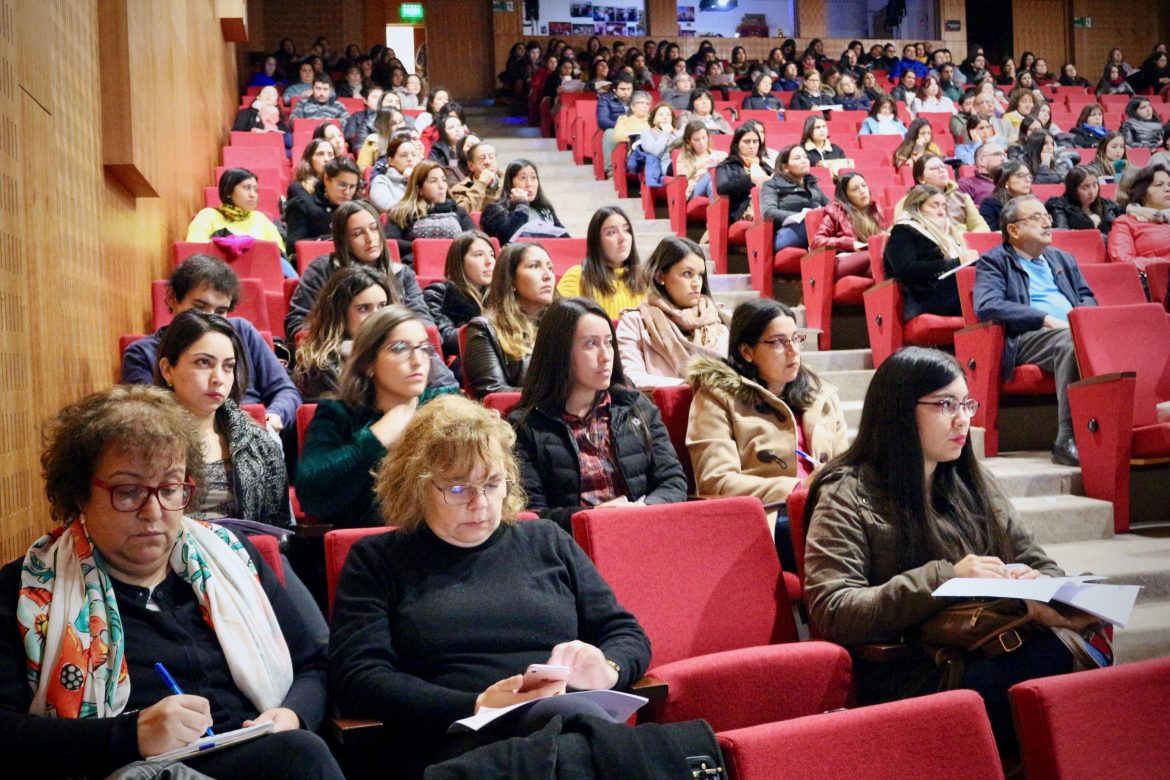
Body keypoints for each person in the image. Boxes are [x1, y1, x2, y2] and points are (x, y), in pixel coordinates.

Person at [0, 385, 341, 778]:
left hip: (257, 755)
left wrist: (293, 713)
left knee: (298, 752)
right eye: (128, 492)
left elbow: (313, 663)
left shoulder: (230, 556)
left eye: (170, 488)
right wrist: (129, 735)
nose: (153, 512)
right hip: (128, 770)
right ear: (79, 492)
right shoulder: (27, 590)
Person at [327, 394, 653, 779]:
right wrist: (477, 704)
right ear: (415, 487)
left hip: (568, 732)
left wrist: (608, 670)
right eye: (459, 490)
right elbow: (359, 678)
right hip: (455, 744)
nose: (481, 504)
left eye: (493, 484)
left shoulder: (547, 540)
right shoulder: (378, 560)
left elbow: (626, 633)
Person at [803, 347, 1076, 748]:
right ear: (898, 411)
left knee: (1073, 658)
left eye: (965, 403)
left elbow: (1040, 563)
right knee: (1056, 668)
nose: (963, 418)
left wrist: (1035, 580)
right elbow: (833, 609)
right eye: (945, 404)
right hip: (912, 666)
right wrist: (947, 578)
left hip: (986, 641)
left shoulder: (971, 480)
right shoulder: (847, 492)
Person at [686, 298, 848, 568]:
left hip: (831, 507)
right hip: (772, 517)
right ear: (747, 351)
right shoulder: (717, 396)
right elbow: (716, 482)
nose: (793, 351)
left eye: (796, 339)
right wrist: (799, 488)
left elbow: (847, 465)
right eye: (778, 342)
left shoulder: (821, 396)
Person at [511, 297, 687, 529]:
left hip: (645, 531)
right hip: (573, 547)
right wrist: (597, 517)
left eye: (609, 343)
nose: (606, 356)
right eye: (591, 344)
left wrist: (640, 510)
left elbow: (673, 481)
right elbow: (532, 512)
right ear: (560, 352)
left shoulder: (636, 407)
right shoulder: (526, 426)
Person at [297, 305, 457, 527]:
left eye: (424, 348)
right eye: (400, 348)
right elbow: (312, 495)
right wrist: (376, 438)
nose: (417, 360)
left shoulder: (446, 405)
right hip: (371, 547)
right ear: (368, 363)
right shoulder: (338, 414)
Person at [974, 195, 1098, 465]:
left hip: (1074, 329)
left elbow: (1087, 295)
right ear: (1013, 229)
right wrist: (1043, 318)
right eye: (1036, 218)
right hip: (1026, 337)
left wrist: (1083, 316)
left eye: (1047, 217)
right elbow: (987, 305)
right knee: (1069, 341)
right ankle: (1067, 438)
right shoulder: (994, 261)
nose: (1046, 223)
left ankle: (1121, 427)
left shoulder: (1062, 258)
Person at [122, 255, 301, 432]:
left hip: (254, 432)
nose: (210, 318)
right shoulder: (142, 353)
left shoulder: (243, 332)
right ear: (173, 300)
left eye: (221, 311)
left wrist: (274, 415)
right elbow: (148, 419)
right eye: (199, 307)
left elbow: (286, 391)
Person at [155, 311, 291, 528]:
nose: (218, 378)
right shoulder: (140, 441)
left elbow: (277, 537)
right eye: (203, 362)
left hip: (242, 557)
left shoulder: (259, 444)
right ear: (167, 370)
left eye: (228, 366)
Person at [285, 200, 433, 340]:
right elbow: (297, 324)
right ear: (344, 241)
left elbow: (424, 321)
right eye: (358, 233)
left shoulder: (402, 273)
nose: (370, 238)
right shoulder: (322, 269)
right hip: (340, 354)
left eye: (374, 229)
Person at [615, 236, 729, 388]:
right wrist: (692, 386)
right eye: (687, 274)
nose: (696, 283)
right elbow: (631, 378)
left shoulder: (720, 318)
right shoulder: (634, 322)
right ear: (660, 276)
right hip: (659, 409)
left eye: (700, 275)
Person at [464, 241, 556, 398]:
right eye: (534, 266)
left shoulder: (565, 324)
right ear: (511, 279)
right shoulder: (484, 329)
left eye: (550, 267)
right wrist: (558, 397)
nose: (547, 276)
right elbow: (493, 393)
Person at [294, 265, 394, 400]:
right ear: (340, 314)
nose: (377, 316)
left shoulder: (407, 349)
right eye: (364, 308)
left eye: (382, 306)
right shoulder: (321, 367)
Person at [886, 184, 979, 320]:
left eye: (944, 207)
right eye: (934, 206)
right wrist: (956, 263)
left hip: (950, 292)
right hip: (924, 299)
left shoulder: (950, 234)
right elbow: (906, 269)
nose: (941, 212)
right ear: (917, 207)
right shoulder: (903, 231)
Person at [186, 167, 291, 276]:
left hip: (259, 275)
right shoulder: (209, 215)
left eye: (256, 190)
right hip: (216, 277)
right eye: (246, 188)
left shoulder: (261, 219)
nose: (253, 195)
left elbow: (278, 255)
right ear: (228, 192)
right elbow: (193, 248)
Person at [557, 206, 648, 320]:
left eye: (626, 230)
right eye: (612, 232)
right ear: (597, 242)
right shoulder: (578, 276)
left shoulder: (645, 279)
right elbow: (557, 323)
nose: (622, 238)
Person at [423, 230, 495, 373]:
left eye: (492, 255)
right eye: (479, 255)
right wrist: (495, 331)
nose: (489, 261)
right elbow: (444, 338)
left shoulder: (500, 295)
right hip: (463, 363)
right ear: (460, 261)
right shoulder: (440, 293)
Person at [383, 161, 476, 258]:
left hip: (456, 263)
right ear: (419, 189)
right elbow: (390, 242)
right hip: (415, 263)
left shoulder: (458, 211)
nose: (441, 186)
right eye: (433, 181)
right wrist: (426, 248)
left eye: (443, 180)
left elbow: (474, 238)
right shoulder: (402, 212)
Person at [812, 172, 889, 279]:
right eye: (855, 189)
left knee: (883, 266)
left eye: (864, 186)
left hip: (871, 259)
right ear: (845, 196)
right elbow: (817, 242)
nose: (862, 191)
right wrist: (849, 243)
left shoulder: (875, 209)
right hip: (845, 260)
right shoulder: (835, 211)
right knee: (878, 257)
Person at [760, 144, 830, 253]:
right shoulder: (771, 184)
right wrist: (801, 216)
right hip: (785, 234)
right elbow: (768, 212)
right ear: (785, 167)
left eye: (805, 157)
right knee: (815, 224)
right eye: (797, 158)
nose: (804, 161)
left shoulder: (812, 184)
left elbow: (831, 207)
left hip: (814, 227)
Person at [896, 154, 990, 234]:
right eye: (934, 168)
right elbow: (902, 231)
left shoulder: (962, 198)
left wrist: (962, 240)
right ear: (921, 179)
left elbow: (981, 227)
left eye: (943, 167)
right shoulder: (909, 201)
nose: (941, 170)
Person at [285, 156, 361, 250]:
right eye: (342, 185)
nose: (347, 192)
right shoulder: (303, 206)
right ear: (326, 179)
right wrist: (329, 241)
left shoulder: (358, 210)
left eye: (352, 187)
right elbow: (294, 247)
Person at [1109, 164, 1170, 268]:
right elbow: (1124, 261)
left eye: (1169, 184)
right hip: (1158, 279)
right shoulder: (1125, 222)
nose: (1168, 189)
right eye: (1159, 185)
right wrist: (1164, 264)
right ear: (1142, 193)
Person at [713, 124, 772, 225]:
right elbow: (722, 188)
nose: (752, 146)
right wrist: (751, 179)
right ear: (737, 144)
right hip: (741, 212)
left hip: (768, 208)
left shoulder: (765, 166)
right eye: (747, 142)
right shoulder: (726, 166)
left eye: (755, 142)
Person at [1045, 166, 1121, 237]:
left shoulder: (1105, 204)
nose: (1092, 192)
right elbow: (1063, 236)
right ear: (1073, 189)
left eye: (1095, 185)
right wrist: (1089, 224)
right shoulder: (1059, 207)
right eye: (1085, 187)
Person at [676, 121, 726, 202]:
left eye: (704, 138)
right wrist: (696, 167)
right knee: (712, 171)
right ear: (689, 141)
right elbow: (681, 181)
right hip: (694, 190)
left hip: (715, 185)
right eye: (696, 140)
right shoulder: (683, 157)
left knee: (711, 185)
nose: (701, 143)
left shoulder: (720, 155)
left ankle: (717, 212)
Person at [368, 136, 418, 213]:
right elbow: (389, 208)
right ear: (391, 161)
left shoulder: (422, 179)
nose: (410, 159)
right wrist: (410, 181)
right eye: (404, 155)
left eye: (413, 155)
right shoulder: (381, 181)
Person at [980, 160, 1034, 231]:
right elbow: (989, 234)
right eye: (1021, 175)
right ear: (1005, 181)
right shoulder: (990, 205)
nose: (1027, 180)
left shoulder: (1035, 203)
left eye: (1029, 176)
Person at [450, 141, 501, 213]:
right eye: (482, 158)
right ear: (471, 165)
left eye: (491, 157)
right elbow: (462, 213)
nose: (488, 162)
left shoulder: (508, 178)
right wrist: (481, 184)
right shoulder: (461, 188)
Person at [598, 74, 634, 175]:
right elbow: (602, 121)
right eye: (622, 89)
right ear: (614, 89)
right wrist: (621, 126)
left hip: (636, 128)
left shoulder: (637, 98)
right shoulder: (605, 99)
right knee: (609, 133)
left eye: (629, 89)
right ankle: (610, 171)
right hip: (616, 128)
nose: (626, 92)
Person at [288, 137, 335, 205]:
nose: (327, 159)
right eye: (320, 154)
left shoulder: (340, 186)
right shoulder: (298, 188)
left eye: (330, 154)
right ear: (309, 159)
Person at [958, 141, 1006, 206]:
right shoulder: (967, 184)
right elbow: (960, 210)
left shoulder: (1010, 182)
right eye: (997, 154)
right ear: (981, 160)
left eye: (1004, 155)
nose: (1003, 158)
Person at [343, 87, 385, 151]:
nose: (379, 100)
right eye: (375, 97)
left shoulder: (388, 117)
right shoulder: (356, 116)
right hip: (362, 147)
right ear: (365, 100)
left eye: (381, 98)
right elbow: (348, 135)